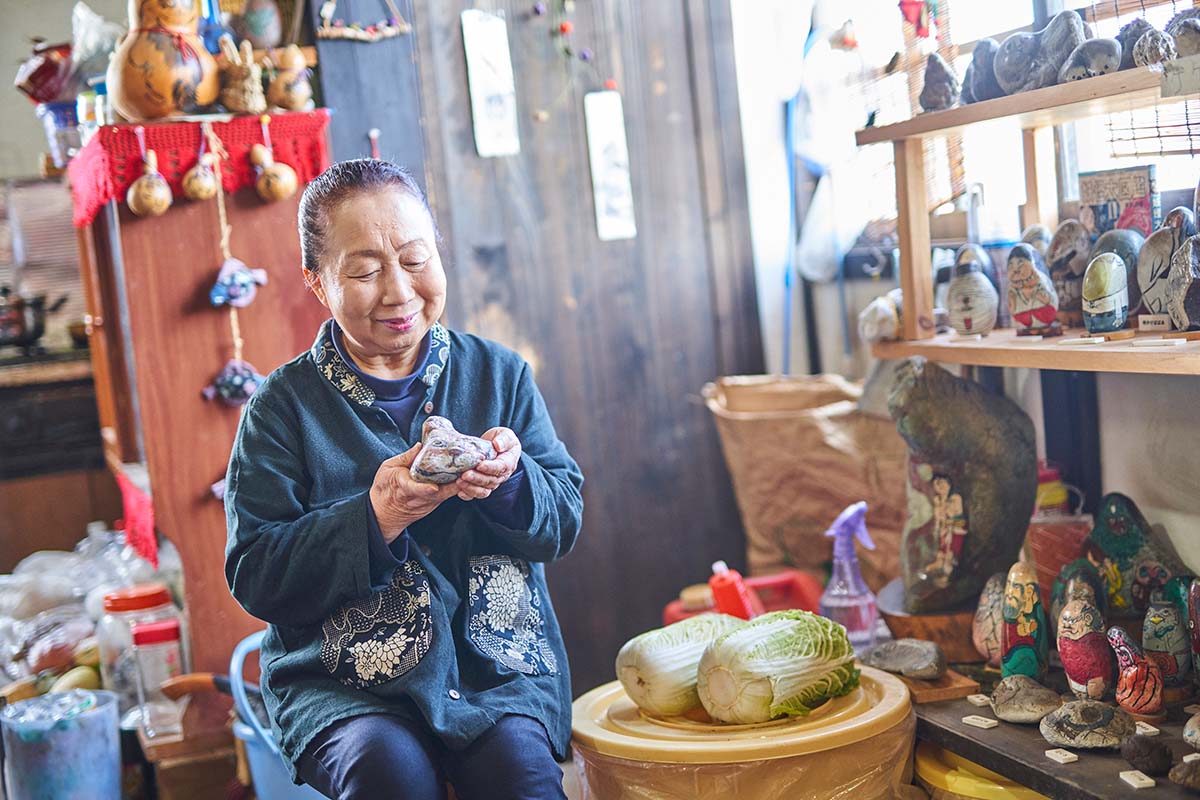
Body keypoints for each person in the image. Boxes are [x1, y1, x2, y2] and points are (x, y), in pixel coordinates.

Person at [224, 159, 584, 800]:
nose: (398, 292)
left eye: (416, 260)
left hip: (494, 670)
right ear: (317, 282)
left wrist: (510, 482)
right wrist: (376, 517)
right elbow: (256, 573)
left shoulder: (500, 375)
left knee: (520, 777)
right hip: (345, 684)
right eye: (365, 272)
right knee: (389, 773)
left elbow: (563, 521)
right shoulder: (280, 410)